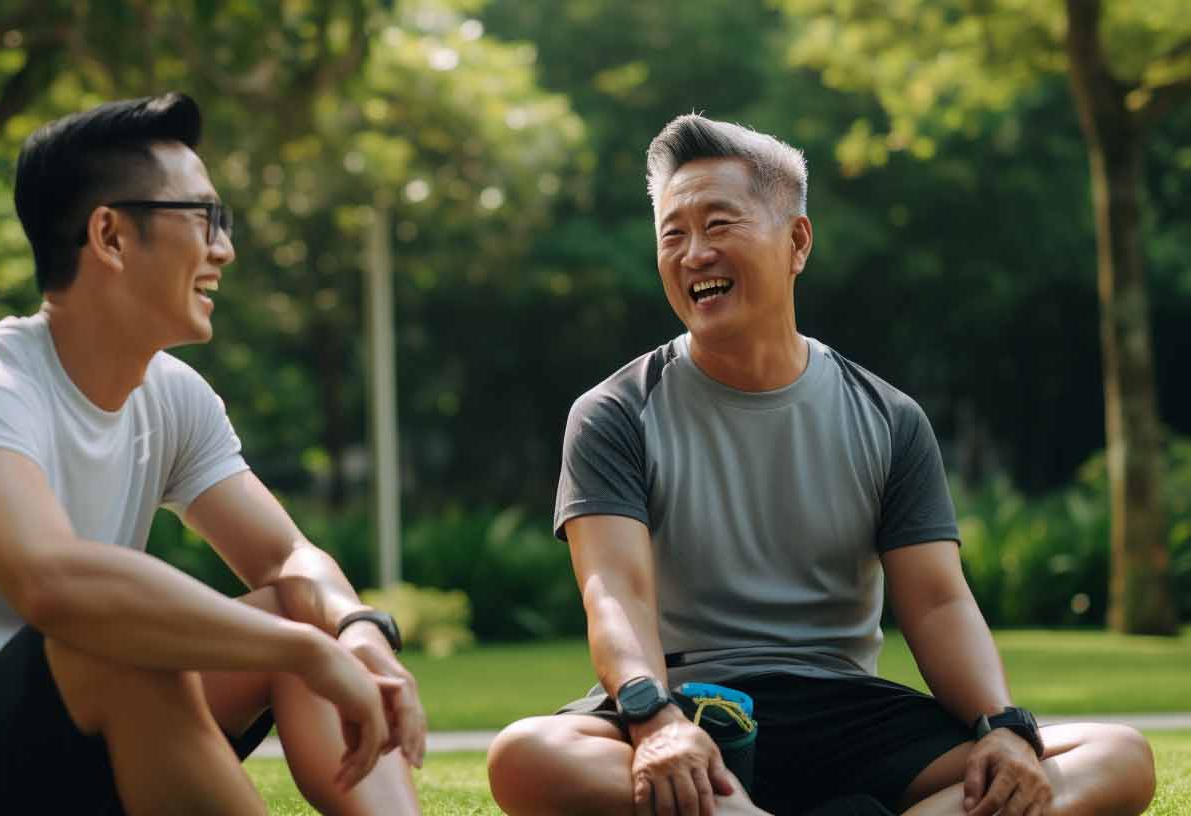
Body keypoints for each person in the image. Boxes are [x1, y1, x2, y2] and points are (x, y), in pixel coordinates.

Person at [486, 113, 1157, 816]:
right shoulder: (614, 411)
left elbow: (937, 601)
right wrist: (655, 723)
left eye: (719, 225)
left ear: (797, 241)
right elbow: (616, 594)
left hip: (852, 715)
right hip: (689, 706)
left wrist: (1004, 728)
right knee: (529, 755)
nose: (694, 254)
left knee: (1114, 755)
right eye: (673, 235)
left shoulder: (890, 416)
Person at [0, 92, 425, 816]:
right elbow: (55, 585)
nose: (223, 248)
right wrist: (303, 652)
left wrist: (352, 633)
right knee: (124, 642)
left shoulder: (172, 396)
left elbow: (285, 559)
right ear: (110, 236)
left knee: (301, 608)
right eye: (204, 219)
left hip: (70, 743)